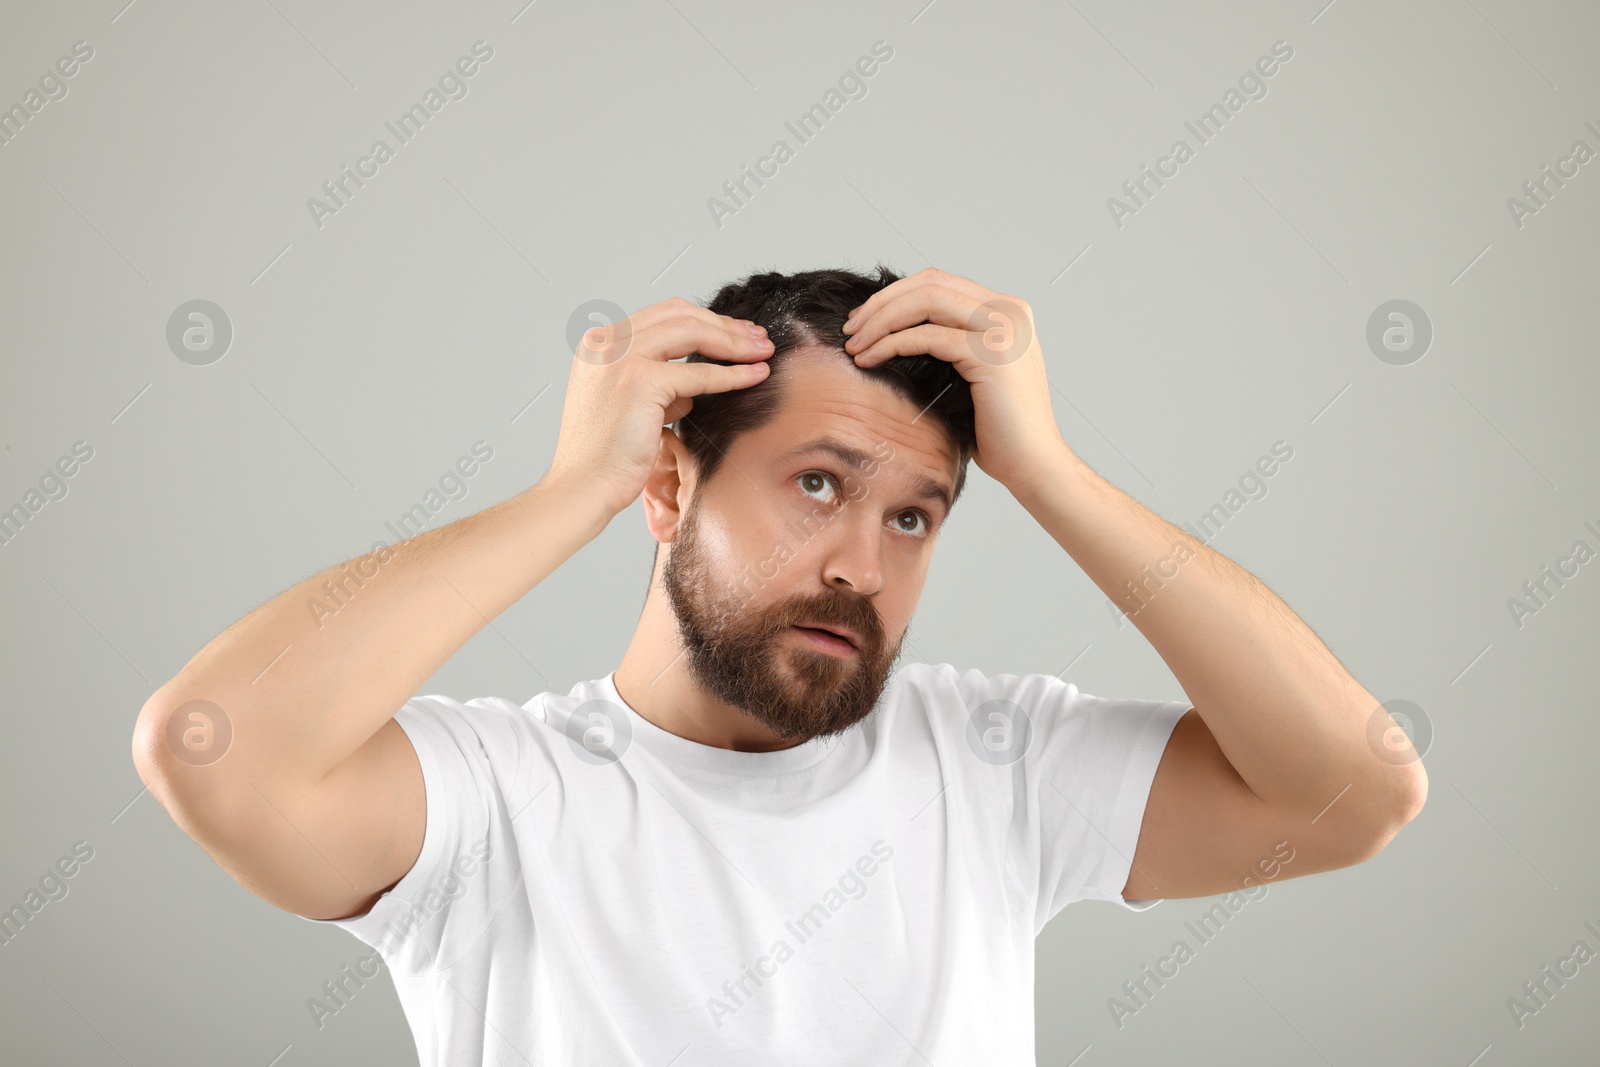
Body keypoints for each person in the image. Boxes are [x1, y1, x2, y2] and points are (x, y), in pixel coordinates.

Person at [131, 265, 1427, 1065]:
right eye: (818, 484)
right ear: (668, 487)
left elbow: (1357, 794)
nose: (865, 563)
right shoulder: (498, 797)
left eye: (913, 515)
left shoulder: (996, 769)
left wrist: (1050, 472)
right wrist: (570, 489)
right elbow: (214, 750)